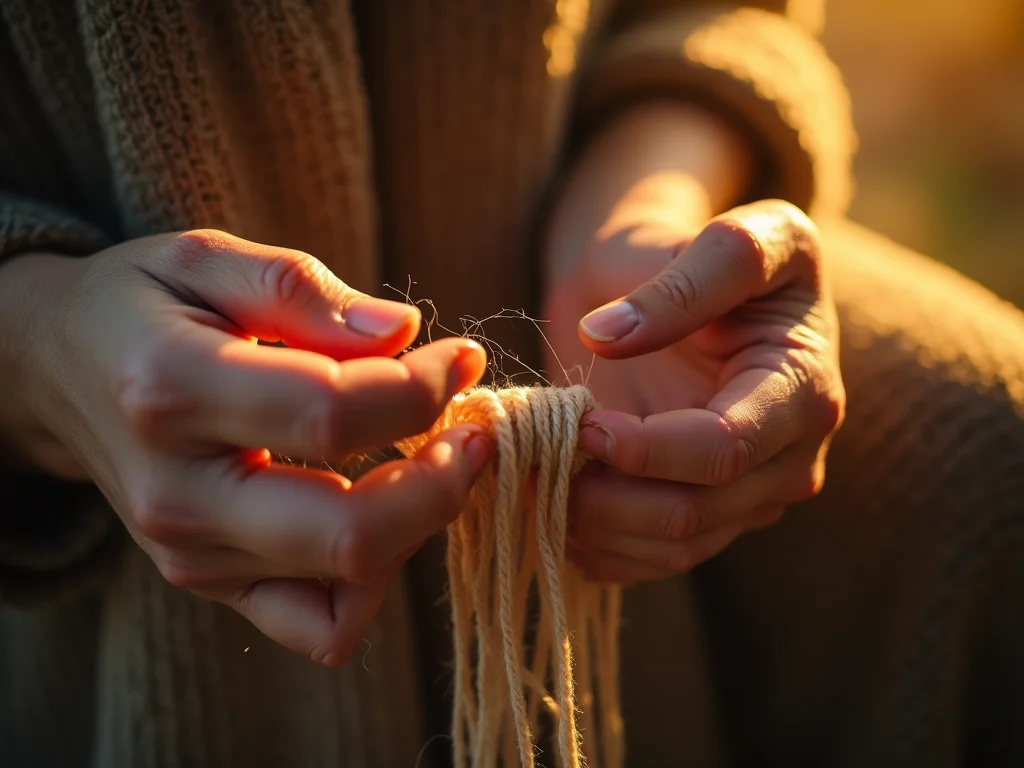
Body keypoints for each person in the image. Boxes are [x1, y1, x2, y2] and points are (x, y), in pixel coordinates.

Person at [0, 1, 1021, 766]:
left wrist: (650, 202)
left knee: (990, 449)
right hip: (90, 523)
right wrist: (36, 348)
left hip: (620, 346)